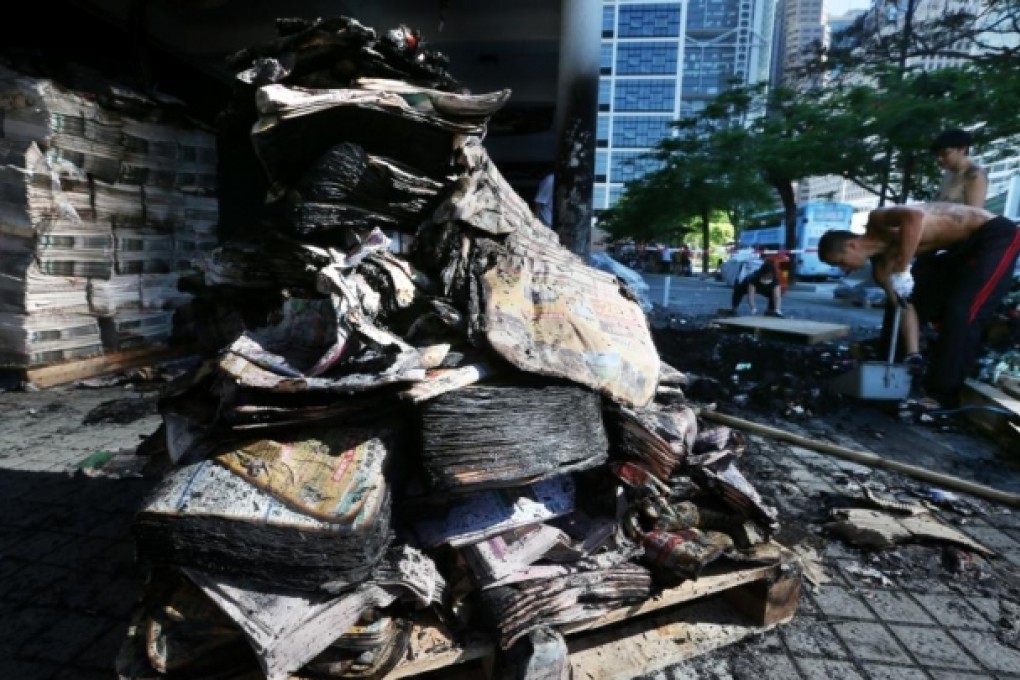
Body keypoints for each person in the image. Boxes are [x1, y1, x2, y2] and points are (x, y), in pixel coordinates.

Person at [818, 202, 1020, 408]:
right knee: (912, 303)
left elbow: (914, 216)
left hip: (993, 234)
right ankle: (899, 371)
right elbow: (905, 307)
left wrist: (904, 268)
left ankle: (944, 395)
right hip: (958, 248)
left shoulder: (878, 220)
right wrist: (913, 353)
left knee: (964, 311)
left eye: (841, 262)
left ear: (852, 245)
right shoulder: (882, 269)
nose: (844, 269)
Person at [931, 129, 988, 208]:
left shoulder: (974, 176)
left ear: (962, 149)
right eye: (937, 155)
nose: (939, 159)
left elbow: (974, 214)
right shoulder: (949, 173)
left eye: (945, 153)